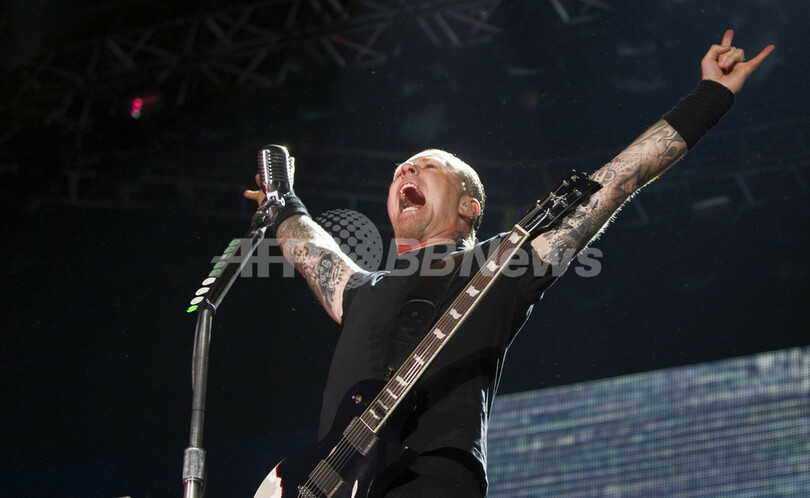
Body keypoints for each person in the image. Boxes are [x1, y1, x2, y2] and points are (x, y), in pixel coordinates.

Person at [245, 30, 773, 497]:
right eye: (402, 167)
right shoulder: (363, 292)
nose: (406, 168)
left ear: (470, 207)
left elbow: (614, 183)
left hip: (428, 479)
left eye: (428, 166)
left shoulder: (502, 264)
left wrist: (710, 97)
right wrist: (283, 203)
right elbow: (313, 252)